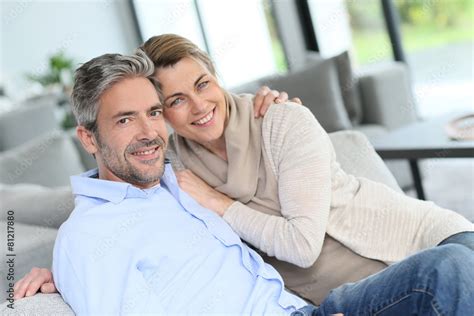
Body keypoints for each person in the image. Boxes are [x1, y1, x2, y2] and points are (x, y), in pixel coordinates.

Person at [14, 35, 474, 309]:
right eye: (125, 118)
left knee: (450, 268)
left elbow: (298, 243)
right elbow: (93, 237)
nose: (149, 130)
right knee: (448, 274)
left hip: (392, 259)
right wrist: (67, 265)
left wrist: (224, 197)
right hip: (314, 307)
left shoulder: (183, 173)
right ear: (89, 138)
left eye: (152, 112)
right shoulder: (110, 220)